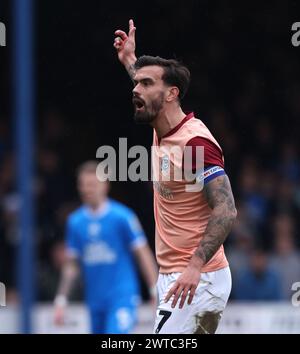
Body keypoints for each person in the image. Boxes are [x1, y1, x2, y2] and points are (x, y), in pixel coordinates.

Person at [113, 20, 237, 334]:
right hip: (176, 275)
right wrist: (130, 59)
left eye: (144, 84)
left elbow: (226, 209)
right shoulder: (162, 125)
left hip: (198, 277)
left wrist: (195, 267)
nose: (135, 90)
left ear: (171, 94)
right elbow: (147, 90)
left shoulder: (195, 144)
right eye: (136, 83)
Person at [53, 161, 157, 334]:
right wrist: (61, 300)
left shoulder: (122, 217)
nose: (87, 189)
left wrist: (154, 289)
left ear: (105, 185)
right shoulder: (75, 222)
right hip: (94, 300)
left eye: (92, 184)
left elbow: (142, 253)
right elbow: (72, 265)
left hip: (121, 296)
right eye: (83, 185)